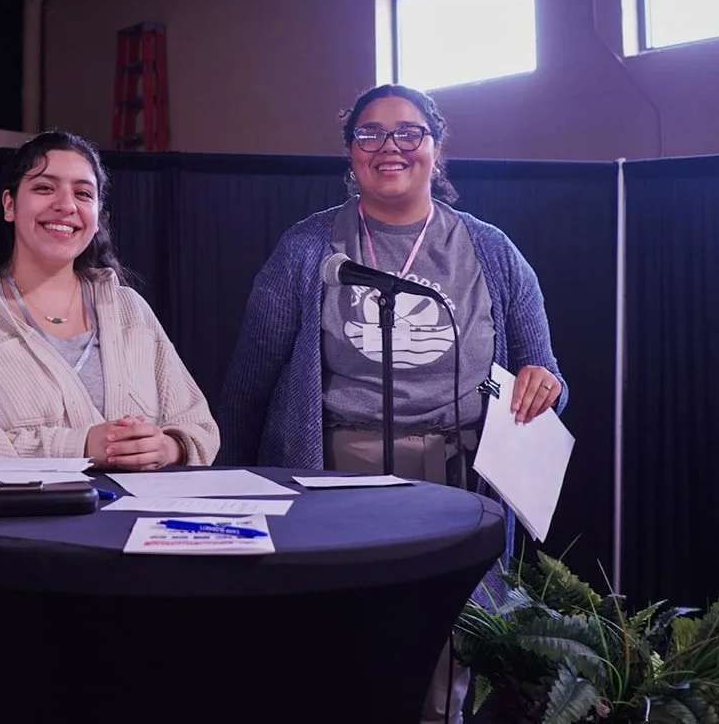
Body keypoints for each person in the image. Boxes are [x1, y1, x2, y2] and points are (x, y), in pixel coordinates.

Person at [217, 84, 568, 723]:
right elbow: (250, 383)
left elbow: (542, 371)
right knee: (336, 648)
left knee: (450, 656)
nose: (390, 148)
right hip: (330, 480)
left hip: (458, 482)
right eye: (370, 134)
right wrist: (230, 492)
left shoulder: (490, 250)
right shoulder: (306, 248)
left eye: (409, 132)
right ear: (350, 152)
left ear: (436, 148)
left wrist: (545, 382)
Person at [0, 130, 219, 723]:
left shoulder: (127, 308)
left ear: (99, 213)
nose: (66, 205)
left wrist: (168, 446)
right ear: (10, 205)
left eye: (83, 192)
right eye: (44, 187)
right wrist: (78, 445)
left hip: (127, 574)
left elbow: (196, 423)